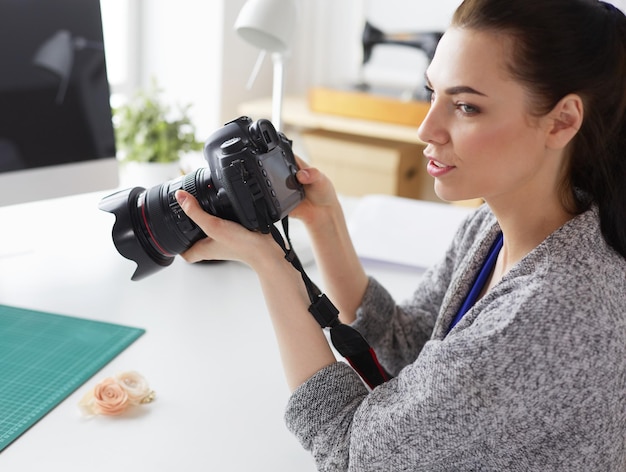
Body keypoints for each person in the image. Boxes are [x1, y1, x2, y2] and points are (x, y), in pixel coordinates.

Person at [175, 0, 626, 469]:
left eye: (466, 106)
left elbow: (354, 453)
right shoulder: (501, 224)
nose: (426, 128)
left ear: (563, 120)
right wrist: (325, 224)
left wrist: (271, 265)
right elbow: (407, 346)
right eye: (431, 93)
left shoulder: (548, 315)